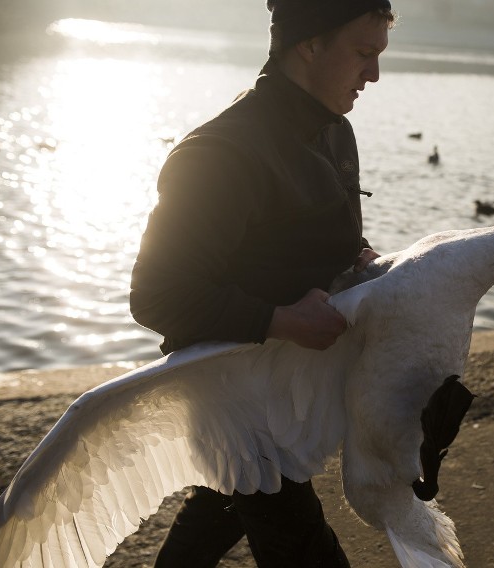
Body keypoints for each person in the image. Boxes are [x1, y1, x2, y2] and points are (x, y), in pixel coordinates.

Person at [129, 1, 394, 566]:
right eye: (364, 55)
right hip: (231, 403)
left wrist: (360, 260)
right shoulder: (218, 154)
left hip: (284, 390)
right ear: (309, 44)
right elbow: (157, 294)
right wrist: (283, 320)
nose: (374, 76)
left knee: (208, 524)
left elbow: (314, 246)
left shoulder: (334, 132)